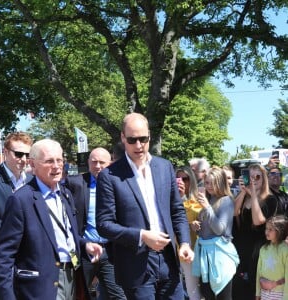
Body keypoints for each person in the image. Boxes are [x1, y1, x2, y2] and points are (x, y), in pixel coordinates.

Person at [96, 112, 194, 300]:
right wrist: (142, 236)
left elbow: (177, 211)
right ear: (123, 138)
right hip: (136, 265)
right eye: (132, 140)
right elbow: (104, 224)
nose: (139, 145)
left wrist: (184, 243)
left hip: (168, 261)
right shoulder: (109, 175)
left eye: (143, 139)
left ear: (149, 135)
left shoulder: (165, 167)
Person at [0, 139, 102, 300]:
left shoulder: (65, 194)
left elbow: (64, 235)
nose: (57, 166)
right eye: (49, 161)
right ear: (33, 164)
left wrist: (85, 245)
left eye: (59, 160)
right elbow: (4, 255)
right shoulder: (21, 200)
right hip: (41, 284)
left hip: (72, 277)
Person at [65, 147, 126, 300]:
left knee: (118, 295)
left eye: (102, 162)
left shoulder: (118, 184)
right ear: (88, 163)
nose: (98, 166)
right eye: (94, 162)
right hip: (84, 251)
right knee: (78, 293)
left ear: (110, 163)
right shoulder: (75, 183)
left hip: (109, 252)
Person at [0, 132, 33, 294]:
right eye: (18, 154)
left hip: (29, 259)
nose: (23, 158)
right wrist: (16, 227)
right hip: (0, 258)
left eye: (27, 155)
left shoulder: (30, 181)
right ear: (6, 152)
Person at [192, 167, 239, 300]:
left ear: (221, 182)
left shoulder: (226, 201)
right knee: (207, 295)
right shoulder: (209, 199)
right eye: (207, 182)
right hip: (205, 255)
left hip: (220, 256)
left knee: (223, 296)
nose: (209, 186)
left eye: (213, 182)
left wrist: (207, 207)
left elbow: (219, 229)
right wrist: (196, 226)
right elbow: (206, 228)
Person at [232, 164, 278, 300]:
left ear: (263, 179)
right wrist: (243, 191)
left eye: (257, 176)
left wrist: (253, 196)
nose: (253, 180)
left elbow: (258, 221)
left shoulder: (270, 199)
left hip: (258, 250)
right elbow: (234, 212)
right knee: (239, 288)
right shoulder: (244, 196)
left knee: (254, 288)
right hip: (241, 247)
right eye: (249, 177)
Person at [176, 166, 202, 300]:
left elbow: (202, 220)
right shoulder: (170, 199)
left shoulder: (197, 200)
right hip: (173, 249)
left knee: (193, 290)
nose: (181, 182)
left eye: (184, 179)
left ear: (191, 180)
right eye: (178, 179)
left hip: (191, 249)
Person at [256, 215, 288, 300]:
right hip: (264, 294)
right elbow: (259, 272)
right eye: (266, 228)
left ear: (279, 231)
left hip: (280, 294)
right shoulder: (263, 249)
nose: (267, 231)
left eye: (270, 229)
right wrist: (258, 293)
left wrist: (286, 297)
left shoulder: (285, 250)